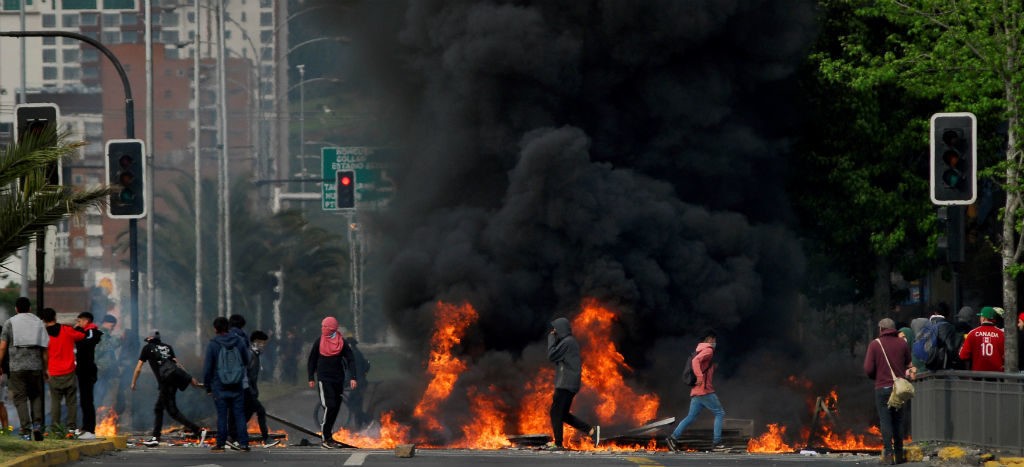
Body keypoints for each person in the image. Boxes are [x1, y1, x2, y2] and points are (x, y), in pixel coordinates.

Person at [130, 330, 202, 447]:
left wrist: (133, 382)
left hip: (165, 382)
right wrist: (189, 378)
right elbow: (177, 365)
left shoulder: (147, 348)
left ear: (149, 338)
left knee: (170, 411)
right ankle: (158, 436)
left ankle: (196, 430)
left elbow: (138, 368)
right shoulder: (168, 347)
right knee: (162, 409)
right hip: (174, 380)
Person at [666, 329, 726, 452]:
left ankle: (673, 438)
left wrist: (712, 367)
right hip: (705, 391)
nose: (715, 342)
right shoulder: (708, 350)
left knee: (690, 417)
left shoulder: (699, 350)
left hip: (696, 392)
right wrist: (699, 376)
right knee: (720, 413)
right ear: (709, 339)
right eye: (714, 340)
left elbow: (702, 366)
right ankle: (717, 443)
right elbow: (695, 361)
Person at [545, 317, 599, 451]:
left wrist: (550, 339)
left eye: (555, 329)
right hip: (569, 384)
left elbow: (551, 355)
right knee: (561, 414)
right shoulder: (569, 342)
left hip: (565, 384)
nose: (553, 331)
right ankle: (591, 431)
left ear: (561, 329)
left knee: (555, 412)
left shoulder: (568, 342)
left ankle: (558, 444)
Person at [864, 318, 912, 465]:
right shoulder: (902, 343)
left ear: (881, 329)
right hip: (899, 389)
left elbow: (868, 369)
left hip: (882, 388)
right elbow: (908, 364)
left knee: (886, 421)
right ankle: (899, 455)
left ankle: (888, 455)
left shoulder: (875, 344)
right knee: (898, 421)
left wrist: (877, 377)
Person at [0, 297, 48, 441]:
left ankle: (25, 431)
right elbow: (45, 349)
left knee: (20, 398)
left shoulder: (10, 323)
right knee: (36, 396)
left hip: (16, 367)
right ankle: (37, 425)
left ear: (16, 308)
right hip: (35, 367)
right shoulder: (39, 323)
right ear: (30, 308)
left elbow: (2, 346)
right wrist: (46, 368)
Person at [307, 316, 357, 449]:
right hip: (324, 379)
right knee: (330, 405)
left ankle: (329, 437)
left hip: (338, 379)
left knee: (335, 408)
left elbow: (351, 359)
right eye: (322, 326)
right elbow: (312, 359)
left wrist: (353, 377)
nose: (323, 329)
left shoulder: (341, 342)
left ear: (332, 328)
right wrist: (311, 377)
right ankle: (325, 438)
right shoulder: (319, 342)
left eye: (325, 327)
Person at [203, 317, 251, 452]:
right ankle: (244, 444)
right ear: (228, 327)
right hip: (237, 385)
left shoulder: (213, 344)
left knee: (222, 415)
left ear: (215, 329)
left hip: (219, 386)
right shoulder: (239, 341)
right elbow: (246, 360)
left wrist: (208, 386)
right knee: (239, 415)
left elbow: (208, 368)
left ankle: (220, 444)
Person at [41, 308, 85, 434]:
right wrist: (78, 327)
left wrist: (46, 369)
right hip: (69, 371)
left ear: (43, 320)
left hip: (53, 372)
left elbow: (44, 355)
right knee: (71, 401)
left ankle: (55, 428)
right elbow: (81, 336)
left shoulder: (44, 335)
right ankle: (71, 426)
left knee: (55, 402)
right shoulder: (66, 330)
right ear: (55, 317)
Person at [243, 330, 278, 447]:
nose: (263, 346)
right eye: (262, 343)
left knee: (246, 414)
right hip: (247, 391)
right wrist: (251, 391)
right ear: (255, 342)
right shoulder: (251, 355)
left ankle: (233, 434)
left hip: (249, 390)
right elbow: (247, 375)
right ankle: (266, 438)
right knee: (260, 411)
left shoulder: (254, 355)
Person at [73, 311, 102, 439]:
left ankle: (89, 429)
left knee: (87, 400)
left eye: (79, 321)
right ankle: (85, 427)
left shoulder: (91, 332)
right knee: (84, 400)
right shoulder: (85, 332)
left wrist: (78, 333)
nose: (77, 324)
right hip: (82, 369)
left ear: (86, 321)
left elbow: (86, 342)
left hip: (87, 370)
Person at [958, 306, 1005, 372]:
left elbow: (963, 355)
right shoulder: (1002, 334)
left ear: (983, 318)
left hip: (978, 377)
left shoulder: (972, 333)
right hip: (997, 377)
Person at [341, 327, 371, 429]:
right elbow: (366, 366)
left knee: (352, 403)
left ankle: (367, 420)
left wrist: (344, 384)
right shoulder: (357, 352)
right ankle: (360, 425)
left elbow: (350, 372)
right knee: (357, 404)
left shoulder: (352, 355)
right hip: (361, 382)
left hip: (358, 383)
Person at [921, 306, 964, 371]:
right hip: (943, 366)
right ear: (948, 314)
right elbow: (951, 348)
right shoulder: (949, 327)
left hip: (928, 365)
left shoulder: (926, 325)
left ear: (935, 313)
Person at [93, 315, 120, 410]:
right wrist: (118, 340)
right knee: (98, 395)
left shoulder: (104, 334)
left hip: (102, 370)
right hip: (99, 370)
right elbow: (101, 349)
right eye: (112, 326)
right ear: (107, 323)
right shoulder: (101, 334)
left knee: (100, 394)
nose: (112, 328)